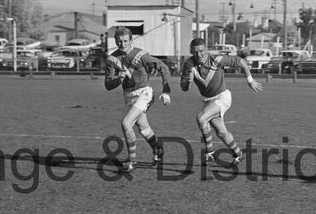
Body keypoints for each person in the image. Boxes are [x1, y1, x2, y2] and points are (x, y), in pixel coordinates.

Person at [180, 38, 264, 167]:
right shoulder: (188, 64)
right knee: (221, 133)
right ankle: (238, 154)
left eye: (201, 51)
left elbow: (241, 62)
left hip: (222, 97)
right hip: (208, 100)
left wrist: (250, 80)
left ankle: (210, 153)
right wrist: (188, 82)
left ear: (206, 49)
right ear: (191, 52)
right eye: (195, 52)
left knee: (201, 118)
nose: (199, 54)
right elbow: (184, 88)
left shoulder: (217, 59)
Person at [104, 26, 172, 173]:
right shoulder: (112, 59)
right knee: (143, 128)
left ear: (131, 40)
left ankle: (132, 160)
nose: (122, 44)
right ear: (115, 41)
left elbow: (163, 67)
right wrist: (118, 79)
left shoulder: (141, 55)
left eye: (125, 41)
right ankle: (158, 149)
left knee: (126, 123)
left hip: (144, 93)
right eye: (119, 41)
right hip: (128, 96)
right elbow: (108, 85)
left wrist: (166, 91)